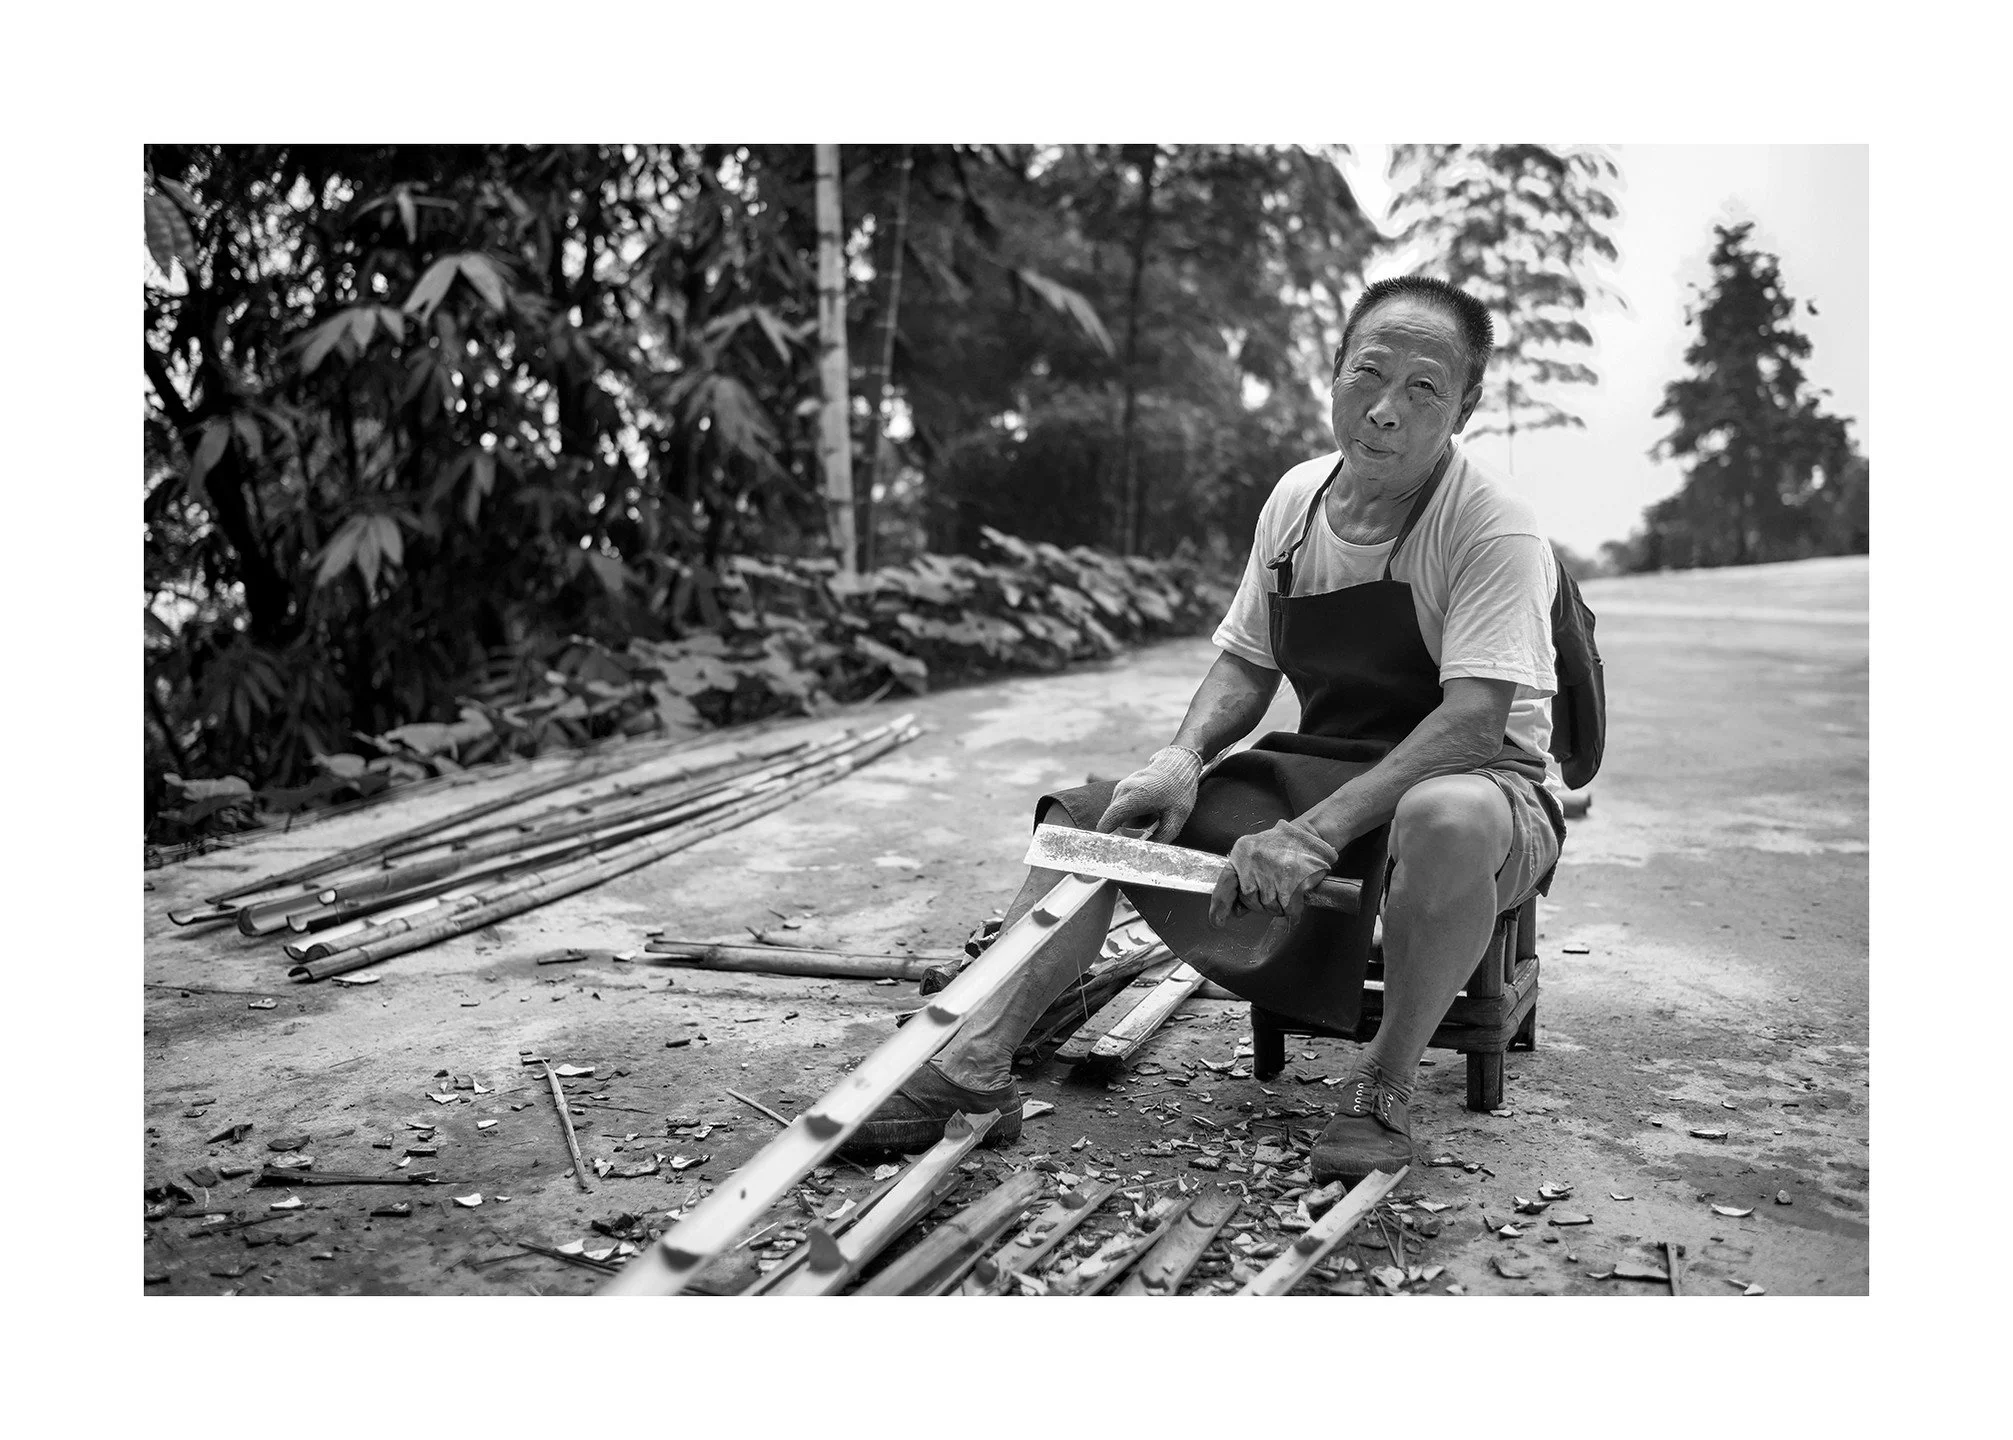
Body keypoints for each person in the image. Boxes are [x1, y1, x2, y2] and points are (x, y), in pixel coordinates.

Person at [845, 275, 1568, 1187]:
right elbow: (1244, 663)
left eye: (1422, 389)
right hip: (1331, 765)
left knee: (1445, 818)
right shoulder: (1298, 503)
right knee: (1097, 816)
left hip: (1484, 786)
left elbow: (1472, 722)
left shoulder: (1491, 525)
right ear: (1333, 373)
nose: (1383, 410)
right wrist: (1182, 758)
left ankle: (1383, 1085)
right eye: (1366, 374)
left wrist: (1312, 833)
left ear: (1462, 407)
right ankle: (976, 1066)